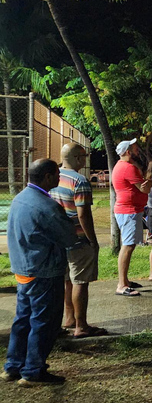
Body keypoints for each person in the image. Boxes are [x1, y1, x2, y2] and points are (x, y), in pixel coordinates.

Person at [3, 159, 77, 386]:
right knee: (44, 322)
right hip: (43, 271)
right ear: (46, 176)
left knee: (23, 320)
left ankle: (12, 367)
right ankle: (33, 371)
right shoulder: (47, 206)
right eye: (56, 174)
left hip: (23, 269)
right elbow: (69, 238)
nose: (59, 178)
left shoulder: (20, 198)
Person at [50, 143, 105, 339]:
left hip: (59, 238)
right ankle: (81, 326)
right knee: (80, 281)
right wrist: (92, 240)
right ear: (75, 158)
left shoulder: (55, 177)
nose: (85, 159)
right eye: (83, 156)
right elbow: (84, 215)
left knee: (67, 280)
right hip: (78, 239)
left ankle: (69, 319)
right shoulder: (80, 181)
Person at [112, 138, 152, 297]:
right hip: (129, 211)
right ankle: (122, 285)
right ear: (128, 152)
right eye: (135, 149)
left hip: (127, 210)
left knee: (129, 245)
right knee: (127, 246)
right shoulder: (129, 168)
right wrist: (148, 184)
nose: (138, 151)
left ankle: (125, 281)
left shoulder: (120, 166)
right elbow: (145, 189)